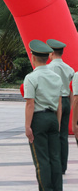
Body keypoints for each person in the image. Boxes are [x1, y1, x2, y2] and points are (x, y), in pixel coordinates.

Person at [24, 40, 63, 191]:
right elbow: (59, 102)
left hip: (38, 119)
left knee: (41, 160)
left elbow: (30, 104)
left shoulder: (31, 78)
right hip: (53, 118)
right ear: (47, 58)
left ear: (33, 58)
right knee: (55, 158)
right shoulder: (56, 77)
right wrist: (58, 122)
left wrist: (27, 126)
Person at [46, 38, 75, 174]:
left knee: (53, 135)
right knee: (63, 135)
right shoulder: (69, 69)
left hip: (54, 102)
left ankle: (54, 165)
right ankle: (63, 166)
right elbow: (71, 90)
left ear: (51, 53)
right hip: (66, 101)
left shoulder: (48, 68)